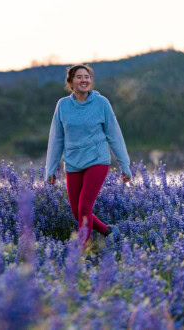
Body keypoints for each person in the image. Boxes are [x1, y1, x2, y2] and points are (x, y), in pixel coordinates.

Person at [45, 64, 131, 250]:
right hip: (73, 162)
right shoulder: (63, 105)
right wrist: (51, 169)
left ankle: (81, 251)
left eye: (87, 77)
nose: (84, 80)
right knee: (77, 213)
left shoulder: (102, 103)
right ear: (70, 82)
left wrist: (125, 164)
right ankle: (108, 231)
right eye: (79, 77)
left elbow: (114, 135)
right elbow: (56, 138)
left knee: (84, 208)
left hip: (97, 160)